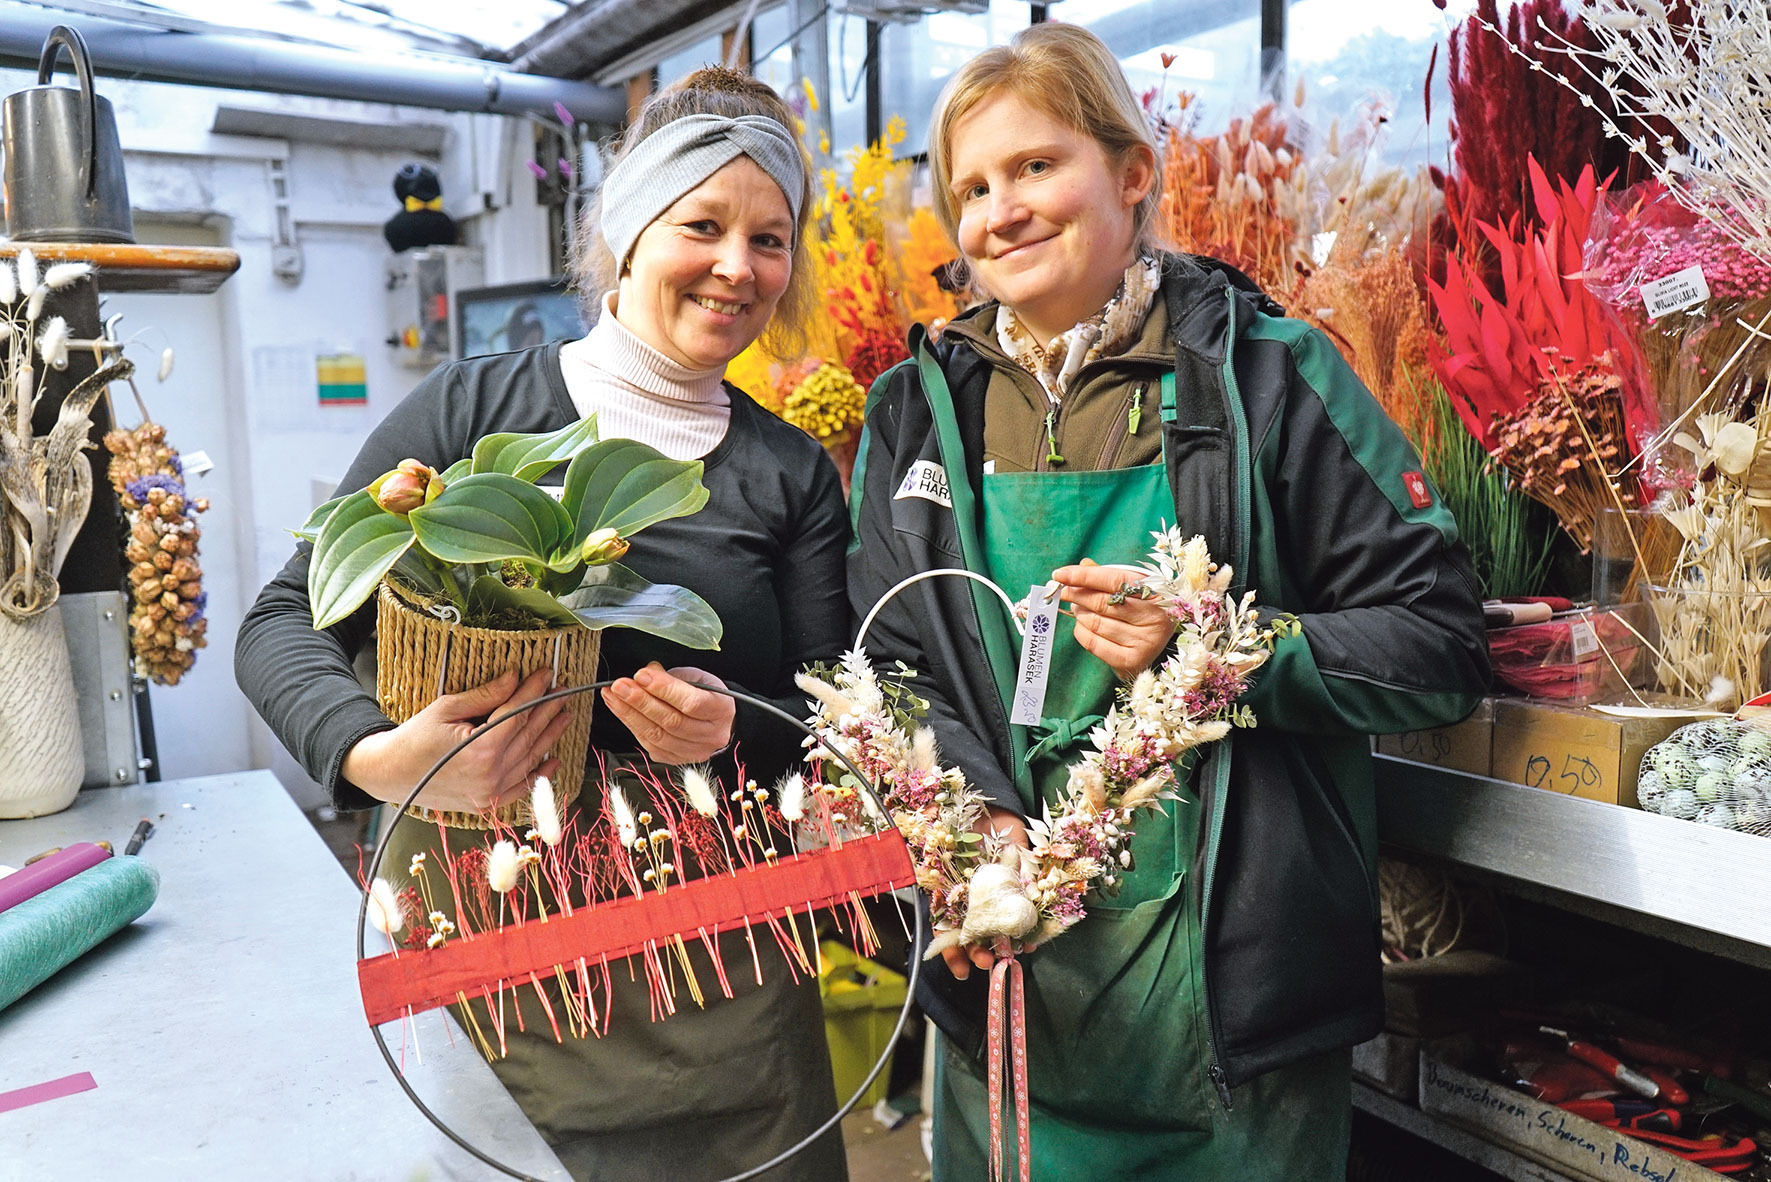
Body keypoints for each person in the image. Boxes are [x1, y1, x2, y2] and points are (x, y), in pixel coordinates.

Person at [847, 23, 1490, 1181]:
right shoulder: (911, 413)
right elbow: (891, 668)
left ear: (1130, 173)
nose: (1003, 210)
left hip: (1227, 1021)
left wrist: (1217, 651)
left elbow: (1436, 639)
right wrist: (973, 816)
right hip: (1006, 988)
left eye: (1037, 166)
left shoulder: (1269, 378)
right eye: (974, 187)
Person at [238, 67, 851, 1181]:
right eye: (702, 225)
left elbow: (826, 708)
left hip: (726, 991)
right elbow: (285, 617)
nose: (737, 267)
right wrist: (380, 759)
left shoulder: (790, 472)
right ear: (626, 229)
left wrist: (734, 735)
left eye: (771, 239)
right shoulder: (473, 417)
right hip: (495, 953)